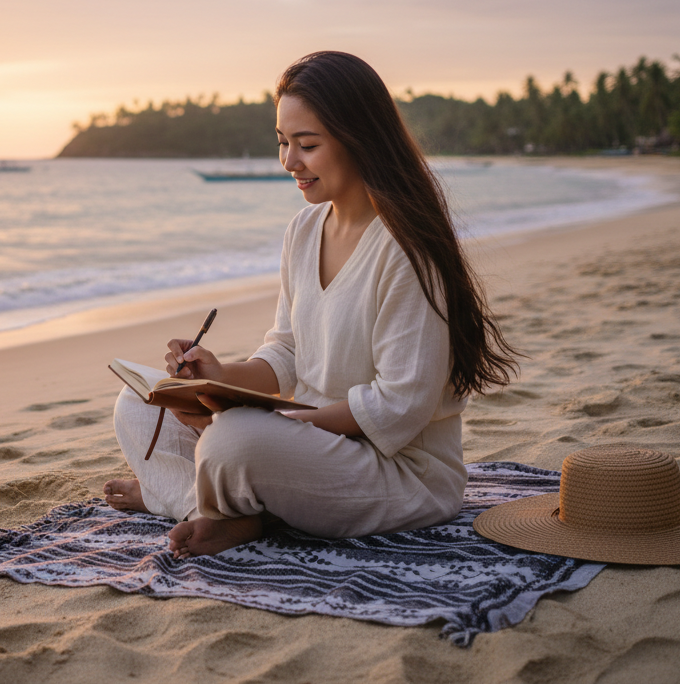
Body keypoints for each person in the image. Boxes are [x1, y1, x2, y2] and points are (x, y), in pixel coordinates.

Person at [103, 51, 520, 559]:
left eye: (307, 145)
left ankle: (192, 500)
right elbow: (286, 353)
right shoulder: (303, 232)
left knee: (233, 440)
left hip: (395, 473)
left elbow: (400, 406)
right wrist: (218, 377)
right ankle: (208, 506)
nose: (289, 162)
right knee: (138, 404)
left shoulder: (409, 248)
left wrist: (267, 424)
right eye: (282, 142)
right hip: (304, 443)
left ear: (358, 138)